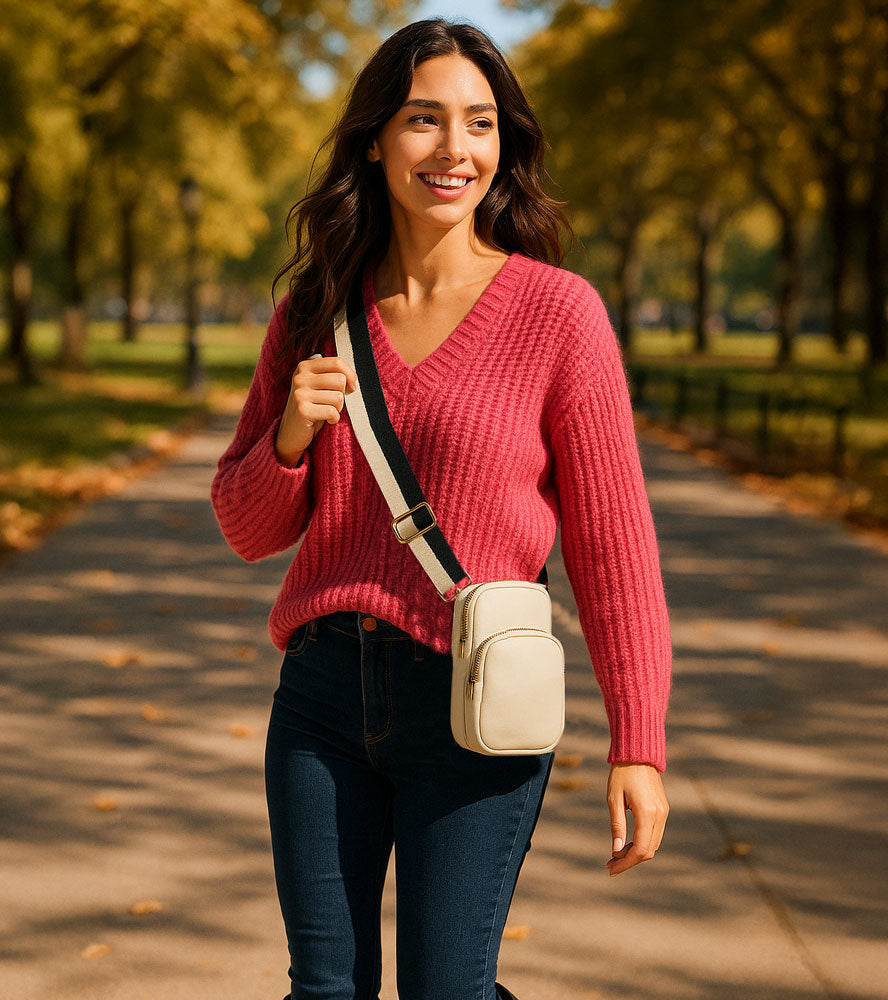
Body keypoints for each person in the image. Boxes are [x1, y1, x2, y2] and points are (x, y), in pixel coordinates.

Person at [211, 17, 671, 1000]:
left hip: (478, 703)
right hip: (324, 698)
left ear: (504, 145)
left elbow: (613, 549)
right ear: (375, 137)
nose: (454, 150)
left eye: (480, 123)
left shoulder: (559, 313)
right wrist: (290, 435)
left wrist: (639, 741)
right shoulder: (312, 313)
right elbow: (247, 530)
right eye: (424, 120)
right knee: (322, 990)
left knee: (446, 989)